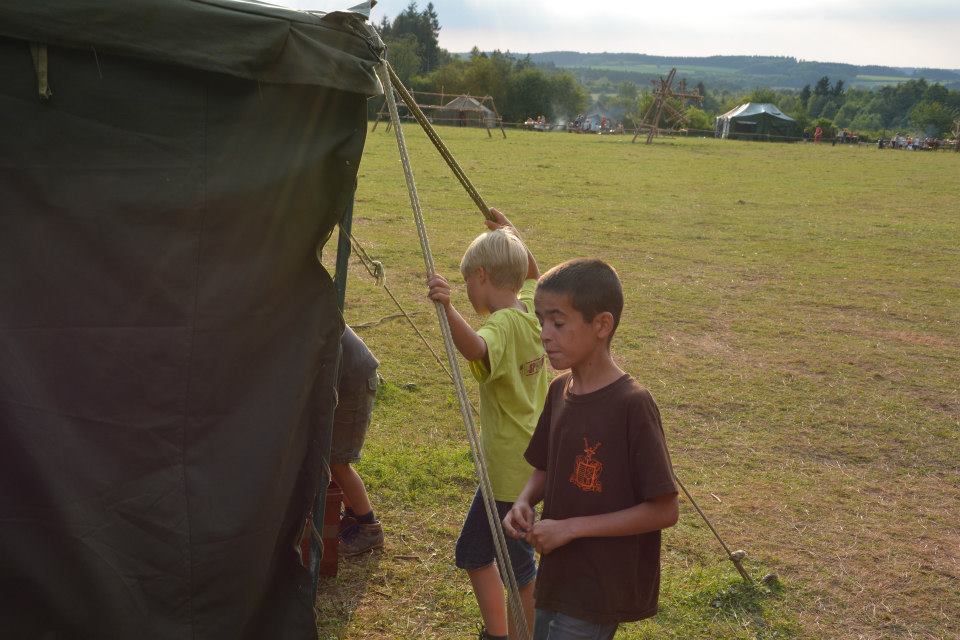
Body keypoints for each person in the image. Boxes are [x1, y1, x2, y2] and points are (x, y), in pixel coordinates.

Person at [503, 258, 679, 640]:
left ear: (602, 325)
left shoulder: (632, 405)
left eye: (559, 322)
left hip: (598, 589)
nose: (545, 334)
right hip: (556, 576)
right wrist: (523, 501)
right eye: (541, 320)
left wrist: (571, 529)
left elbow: (664, 510)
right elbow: (545, 469)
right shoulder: (558, 392)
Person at [427, 209, 547, 640]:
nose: (466, 291)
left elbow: (477, 349)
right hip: (526, 461)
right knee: (474, 552)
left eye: (466, 284)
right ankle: (497, 633)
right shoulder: (535, 309)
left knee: (519, 570)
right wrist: (510, 231)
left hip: (507, 474)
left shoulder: (501, 325)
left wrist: (448, 306)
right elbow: (533, 273)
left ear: (481, 275)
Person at [331, 326, 384, 555]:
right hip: (345, 383)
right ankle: (352, 518)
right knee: (332, 457)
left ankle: (369, 528)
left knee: (338, 461)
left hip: (355, 384)